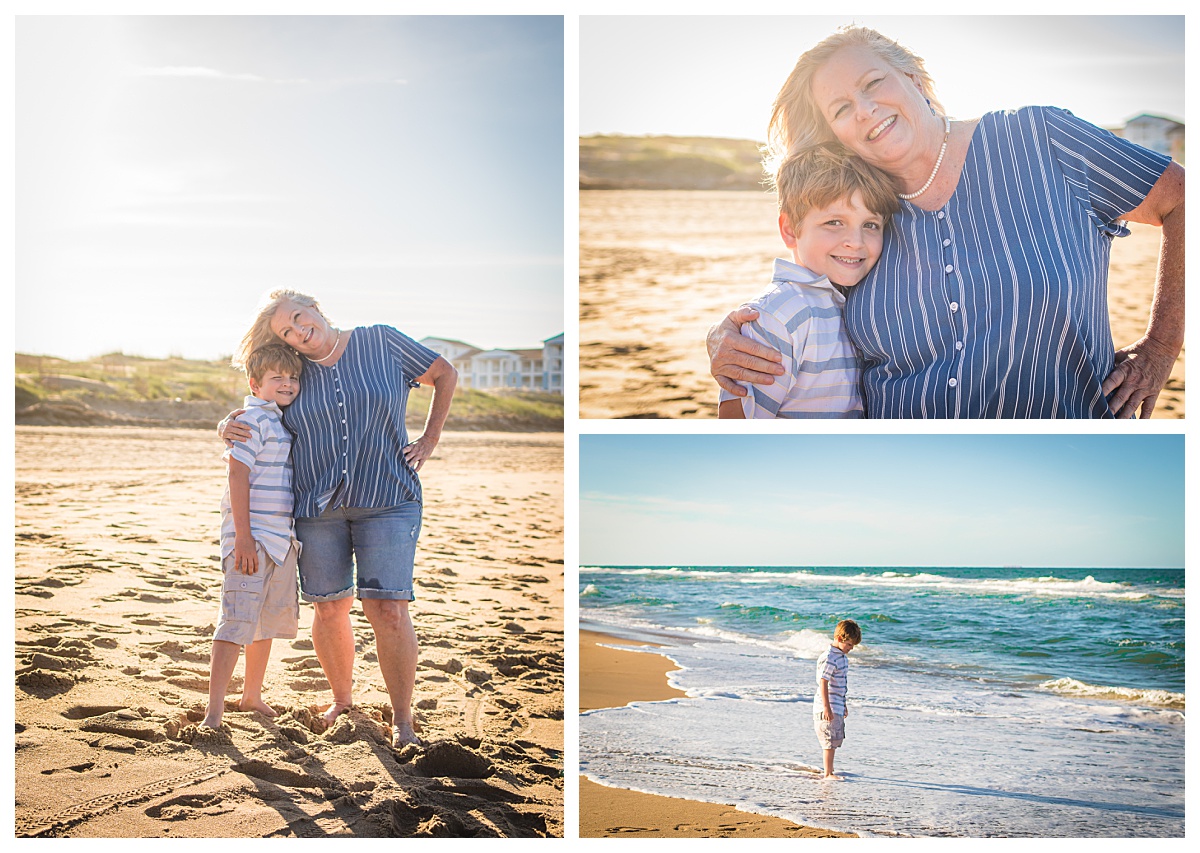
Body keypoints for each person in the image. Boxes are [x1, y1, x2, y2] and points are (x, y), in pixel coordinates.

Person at [708, 26, 1183, 419]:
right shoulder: (864, 215)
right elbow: (806, 299)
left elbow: (1183, 199)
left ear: (914, 79)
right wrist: (731, 333)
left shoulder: (1041, 139)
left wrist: (1162, 345)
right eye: (841, 109)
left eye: (873, 83)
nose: (866, 110)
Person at [219, 290, 458, 748]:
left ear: (313, 306)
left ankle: (403, 720)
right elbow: (258, 408)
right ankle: (343, 700)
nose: (297, 332)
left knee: (387, 608)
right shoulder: (295, 370)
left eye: (297, 318)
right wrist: (222, 426)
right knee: (329, 607)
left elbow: (445, 374)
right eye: (286, 332)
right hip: (316, 505)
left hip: (388, 495)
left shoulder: (381, 341)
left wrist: (429, 438)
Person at [718, 144, 897, 418]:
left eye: (870, 225)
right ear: (790, 230)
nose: (855, 242)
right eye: (834, 222)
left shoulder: (845, 301)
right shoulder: (778, 315)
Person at [203, 344, 304, 730]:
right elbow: (237, 476)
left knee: (264, 624)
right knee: (236, 620)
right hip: (253, 539)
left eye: (292, 377)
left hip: (281, 541)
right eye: (277, 378)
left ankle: (251, 695)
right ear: (254, 384)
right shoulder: (251, 420)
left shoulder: (282, 420)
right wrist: (243, 538)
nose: (287, 383)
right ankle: (214, 711)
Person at [814, 619, 860, 781]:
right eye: (849, 645)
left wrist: (843, 704)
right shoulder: (830, 657)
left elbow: (840, 685)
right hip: (827, 706)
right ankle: (827, 774)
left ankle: (830, 769)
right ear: (840, 639)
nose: (850, 648)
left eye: (853, 646)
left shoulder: (841, 657)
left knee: (834, 739)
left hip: (837, 704)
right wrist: (826, 707)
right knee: (828, 740)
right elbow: (823, 681)